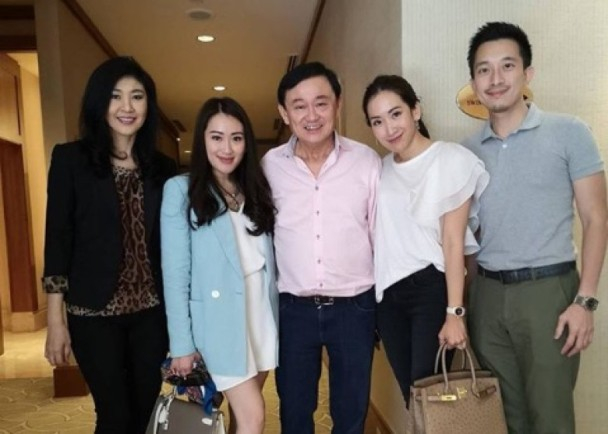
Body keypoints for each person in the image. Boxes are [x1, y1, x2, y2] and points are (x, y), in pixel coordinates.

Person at [463, 22, 607, 433]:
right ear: (473, 82)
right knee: (503, 419)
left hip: (549, 292)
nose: (495, 79)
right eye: (484, 69)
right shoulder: (467, 152)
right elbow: (467, 238)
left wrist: (585, 301)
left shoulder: (569, 132)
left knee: (551, 418)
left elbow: (597, 218)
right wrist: (464, 305)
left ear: (527, 73)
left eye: (507, 66)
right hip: (487, 296)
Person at [42, 56, 177, 434]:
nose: (127, 107)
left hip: (151, 315)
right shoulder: (70, 160)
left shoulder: (163, 169)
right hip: (92, 314)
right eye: (116, 96)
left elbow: (174, 247)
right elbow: (58, 239)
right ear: (99, 102)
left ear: (149, 105)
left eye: (137, 96)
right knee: (114, 416)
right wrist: (55, 320)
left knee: (146, 413)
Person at [261, 61, 381, 434]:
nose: (311, 116)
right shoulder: (269, 166)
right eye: (299, 106)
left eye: (321, 103)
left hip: (355, 307)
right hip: (293, 309)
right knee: (294, 413)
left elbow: (380, 234)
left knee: (351, 413)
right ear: (284, 113)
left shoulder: (366, 161)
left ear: (338, 105)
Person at [362, 75, 489, 406]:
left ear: (415, 110)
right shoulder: (379, 170)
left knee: (433, 396)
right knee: (414, 399)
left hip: (431, 292)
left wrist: (455, 312)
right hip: (388, 299)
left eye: (396, 114)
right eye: (377, 121)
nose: (389, 128)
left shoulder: (450, 159)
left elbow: (453, 241)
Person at [161, 97, 278, 434]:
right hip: (217, 323)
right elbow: (175, 274)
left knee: (242, 416)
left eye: (236, 138)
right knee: (254, 416)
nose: (227, 148)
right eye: (216, 137)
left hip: (260, 315)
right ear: (202, 140)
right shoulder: (181, 191)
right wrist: (181, 345)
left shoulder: (255, 189)